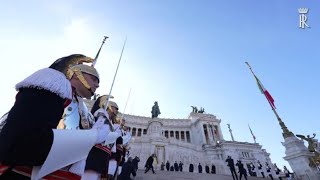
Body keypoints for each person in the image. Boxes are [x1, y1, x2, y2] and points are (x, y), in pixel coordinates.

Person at [0, 54, 110, 179]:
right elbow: (25, 138)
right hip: (23, 170)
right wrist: (90, 137)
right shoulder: (55, 85)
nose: (97, 85)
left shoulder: (80, 105)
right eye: (94, 79)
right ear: (76, 74)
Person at [82, 96, 120, 180]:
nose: (117, 111)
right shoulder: (102, 117)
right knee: (90, 175)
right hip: (97, 152)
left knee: (98, 176)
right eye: (116, 108)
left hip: (105, 154)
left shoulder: (110, 122)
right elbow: (95, 133)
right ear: (110, 107)